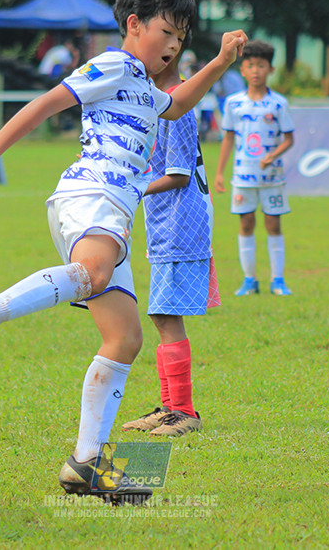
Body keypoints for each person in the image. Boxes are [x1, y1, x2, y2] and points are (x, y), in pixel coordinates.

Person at [0, 0, 247, 503]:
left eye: (182, 39)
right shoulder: (115, 64)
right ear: (134, 24)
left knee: (125, 337)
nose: (173, 46)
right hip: (89, 196)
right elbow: (43, 105)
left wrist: (217, 63)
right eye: (167, 31)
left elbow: (178, 105)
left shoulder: (146, 86)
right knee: (95, 275)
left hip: (113, 215)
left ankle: (87, 462)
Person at [121, 45, 218, 439]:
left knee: (165, 315)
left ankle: (183, 411)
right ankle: (169, 408)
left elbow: (178, 174)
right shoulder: (161, 103)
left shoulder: (177, 106)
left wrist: (133, 189)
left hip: (182, 223)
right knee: (161, 314)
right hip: (167, 225)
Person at [214, 39, 295, 297]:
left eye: (261, 65)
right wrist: (219, 173)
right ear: (243, 70)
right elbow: (227, 137)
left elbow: (289, 139)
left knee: (273, 224)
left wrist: (273, 155)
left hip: (272, 177)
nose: (256, 71)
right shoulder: (233, 103)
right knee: (246, 223)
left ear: (270, 69)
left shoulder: (279, 103)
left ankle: (278, 280)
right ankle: (249, 280)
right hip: (243, 176)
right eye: (250, 65)